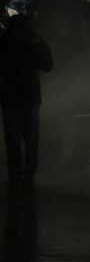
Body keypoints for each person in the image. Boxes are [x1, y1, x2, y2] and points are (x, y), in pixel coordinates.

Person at [0, 15, 54, 194]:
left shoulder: (7, 43)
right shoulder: (32, 43)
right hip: (23, 98)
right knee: (26, 139)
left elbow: (47, 65)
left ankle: (20, 175)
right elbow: (48, 65)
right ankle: (24, 175)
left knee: (19, 139)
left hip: (17, 98)